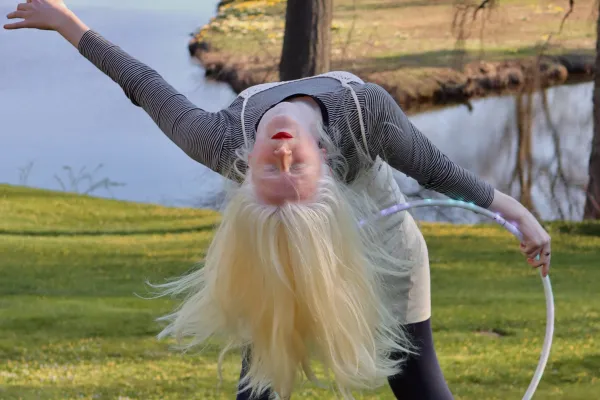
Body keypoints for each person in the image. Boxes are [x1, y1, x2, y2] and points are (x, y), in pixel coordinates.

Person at [5, 2, 553, 399]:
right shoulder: (363, 116)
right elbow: (441, 172)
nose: (282, 153)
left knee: (418, 387)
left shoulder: (224, 141)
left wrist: (69, 25)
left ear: (246, 174)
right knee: (262, 387)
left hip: (386, 253)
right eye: (294, 169)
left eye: (270, 169)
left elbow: (146, 87)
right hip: (277, 259)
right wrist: (522, 217)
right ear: (324, 172)